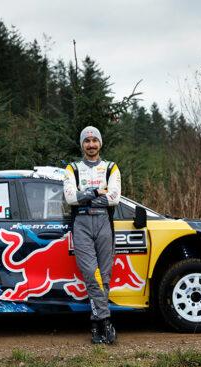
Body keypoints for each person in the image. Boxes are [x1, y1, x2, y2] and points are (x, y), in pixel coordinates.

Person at [63, 126, 121, 344]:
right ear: (82, 145)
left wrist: (84, 196)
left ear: (100, 143)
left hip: (104, 222)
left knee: (104, 276)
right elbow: (70, 198)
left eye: (94, 140)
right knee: (91, 273)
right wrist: (97, 192)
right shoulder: (72, 168)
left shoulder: (111, 167)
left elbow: (114, 198)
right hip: (81, 223)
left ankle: (97, 325)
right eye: (86, 141)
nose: (91, 144)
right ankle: (105, 320)